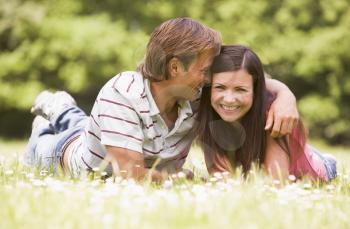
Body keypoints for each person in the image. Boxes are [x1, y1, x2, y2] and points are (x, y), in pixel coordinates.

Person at [24, 18, 299, 181]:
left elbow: (244, 81)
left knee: (80, 120)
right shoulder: (122, 92)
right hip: (64, 154)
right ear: (176, 67)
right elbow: (129, 175)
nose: (208, 79)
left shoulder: (195, 94)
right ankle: (52, 114)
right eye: (205, 70)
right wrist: (182, 180)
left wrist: (286, 95)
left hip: (101, 129)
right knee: (64, 129)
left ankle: (63, 107)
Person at [195, 45, 337, 182]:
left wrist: (285, 93)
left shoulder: (273, 114)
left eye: (240, 89)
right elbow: (223, 181)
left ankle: (323, 159)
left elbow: (275, 184)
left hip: (318, 167)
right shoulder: (206, 111)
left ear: (256, 90)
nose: (229, 99)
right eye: (220, 87)